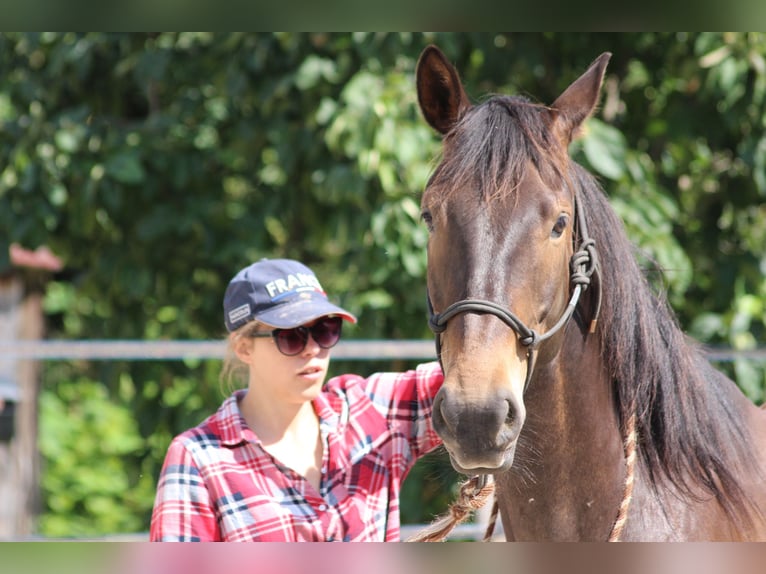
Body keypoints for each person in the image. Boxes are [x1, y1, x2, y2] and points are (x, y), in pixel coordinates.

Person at [149, 258, 444, 541]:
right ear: (244, 348)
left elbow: (474, 372)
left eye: (325, 330)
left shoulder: (372, 410)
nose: (313, 349)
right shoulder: (198, 458)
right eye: (292, 335)